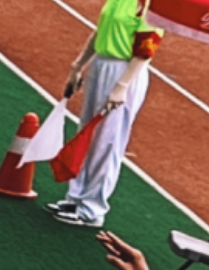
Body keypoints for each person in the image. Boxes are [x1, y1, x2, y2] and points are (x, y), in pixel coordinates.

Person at [45, 0, 163, 228]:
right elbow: (100, 31)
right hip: (102, 65)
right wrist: (77, 66)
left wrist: (121, 87)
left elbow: (145, 51)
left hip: (124, 71)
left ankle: (92, 208)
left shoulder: (150, 5)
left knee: (107, 141)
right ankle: (75, 198)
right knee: (88, 134)